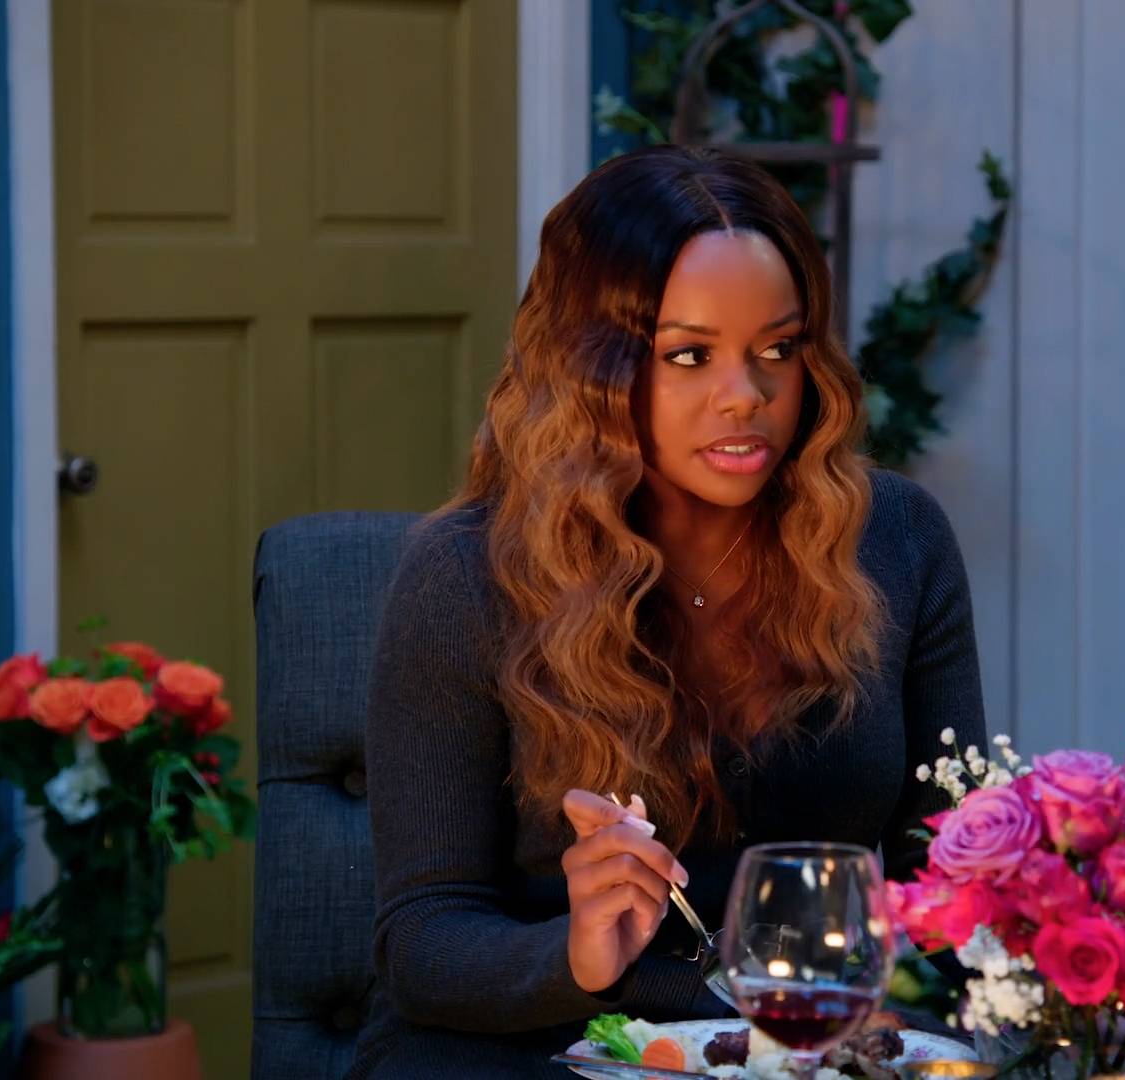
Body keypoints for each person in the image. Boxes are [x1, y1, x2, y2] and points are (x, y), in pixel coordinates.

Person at [346, 145, 988, 1078]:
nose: (747, 396)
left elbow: (955, 884)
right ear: (591, 368)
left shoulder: (894, 541)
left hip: (803, 1050)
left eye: (778, 350)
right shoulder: (465, 577)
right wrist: (574, 954)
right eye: (689, 356)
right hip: (529, 1052)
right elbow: (422, 941)